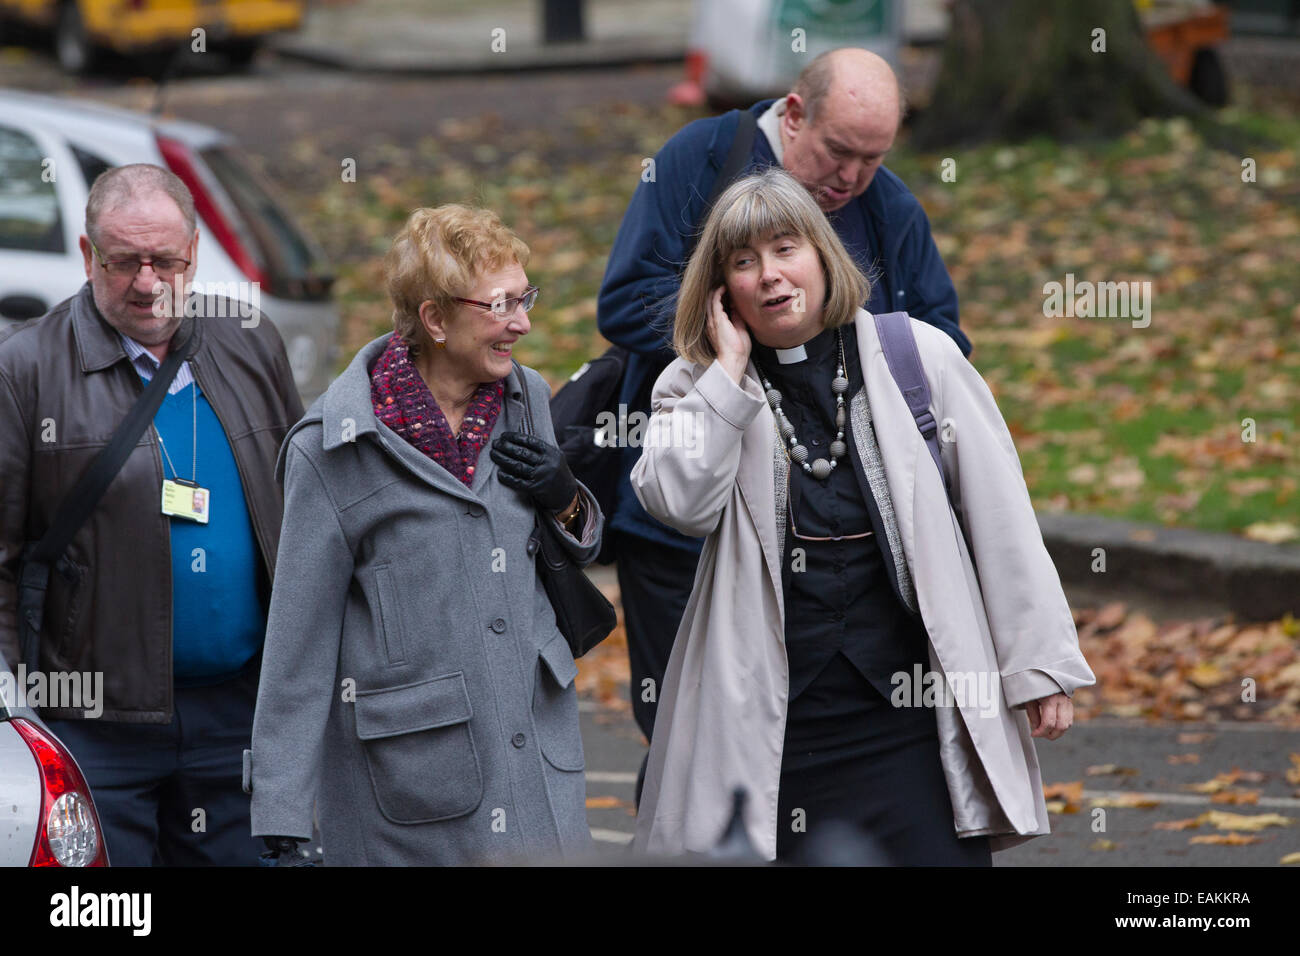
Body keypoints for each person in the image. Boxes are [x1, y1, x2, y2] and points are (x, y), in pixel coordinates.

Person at [630, 168, 1096, 863]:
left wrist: (1040, 666)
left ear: (822, 254)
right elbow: (678, 502)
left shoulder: (917, 357)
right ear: (722, 289)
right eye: (744, 261)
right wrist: (726, 373)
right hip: (775, 729)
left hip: (910, 722)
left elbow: (1002, 518)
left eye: (786, 249)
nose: (770, 276)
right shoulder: (694, 387)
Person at [598, 47, 970, 756]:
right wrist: (745, 342)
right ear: (794, 114)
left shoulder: (886, 206)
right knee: (696, 749)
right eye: (838, 151)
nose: (853, 177)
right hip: (688, 533)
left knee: (797, 753)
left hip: (837, 541)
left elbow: (941, 338)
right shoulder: (703, 157)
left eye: (873, 157)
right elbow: (624, 300)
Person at [248, 204, 603, 866]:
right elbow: (299, 638)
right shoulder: (332, 449)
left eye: (525, 298)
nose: (523, 323)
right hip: (412, 794)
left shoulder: (528, 399)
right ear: (436, 319)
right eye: (501, 306)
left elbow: (572, 551)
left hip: (537, 763)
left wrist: (565, 501)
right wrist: (283, 808)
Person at [0, 164, 304, 865]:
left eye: (164, 260)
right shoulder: (24, 370)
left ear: (193, 252)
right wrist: (20, 719)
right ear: (86, 256)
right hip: (91, 729)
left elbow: (303, 508)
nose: (145, 281)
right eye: (123, 261)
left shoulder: (248, 340)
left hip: (238, 717)